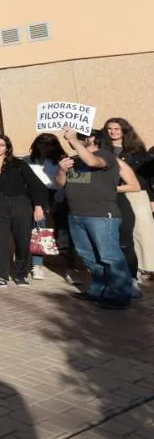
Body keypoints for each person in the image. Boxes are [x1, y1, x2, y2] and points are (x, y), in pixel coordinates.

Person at [58, 128, 142, 309]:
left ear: (93, 138)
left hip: (101, 215)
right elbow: (61, 183)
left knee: (110, 256)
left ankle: (120, 296)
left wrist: (73, 140)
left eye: (81, 137)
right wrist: (62, 170)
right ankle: (99, 291)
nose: (76, 140)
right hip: (77, 215)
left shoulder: (106, 155)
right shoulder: (75, 159)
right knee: (89, 257)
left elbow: (93, 161)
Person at [0, 134, 47, 288]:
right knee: (0, 240)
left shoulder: (18, 164)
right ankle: (0, 277)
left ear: (7, 148)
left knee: (22, 239)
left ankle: (21, 274)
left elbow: (35, 184)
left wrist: (38, 205)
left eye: (1, 145)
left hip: (20, 203)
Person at [102, 117, 154, 288]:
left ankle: (141, 268)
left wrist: (152, 198)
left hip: (136, 193)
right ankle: (125, 269)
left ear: (125, 130)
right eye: (110, 128)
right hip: (111, 194)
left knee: (141, 230)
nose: (113, 132)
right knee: (121, 231)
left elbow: (148, 177)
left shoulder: (137, 150)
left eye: (117, 129)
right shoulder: (102, 149)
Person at [24, 133, 66, 281]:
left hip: (55, 196)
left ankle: (68, 266)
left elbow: (62, 184)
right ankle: (37, 264)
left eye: (50, 143)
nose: (45, 146)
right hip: (35, 197)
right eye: (42, 143)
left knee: (63, 231)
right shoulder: (27, 161)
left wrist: (56, 202)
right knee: (38, 228)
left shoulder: (60, 162)